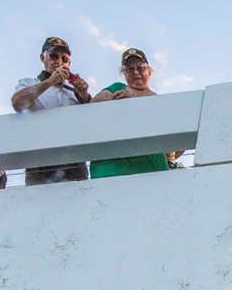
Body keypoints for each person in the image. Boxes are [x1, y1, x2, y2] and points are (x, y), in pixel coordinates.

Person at [12, 35, 91, 185]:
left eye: (64, 59)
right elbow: (17, 103)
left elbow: (91, 121)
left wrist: (83, 95)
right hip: (41, 160)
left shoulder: (72, 92)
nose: (59, 62)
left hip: (74, 162)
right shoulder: (29, 83)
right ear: (43, 57)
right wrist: (49, 82)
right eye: (54, 56)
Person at [89, 48, 173, 178]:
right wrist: (117, 99)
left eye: (140, 68)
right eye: (129, 69)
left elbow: (173, 148)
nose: (135, 72)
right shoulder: (117, 88)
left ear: (149, 71)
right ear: (123, 73)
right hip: (114, 167)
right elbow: (95, 102)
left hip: (151, 170)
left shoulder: (158, 100)